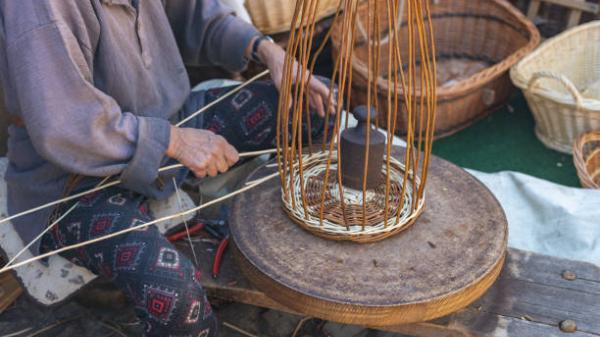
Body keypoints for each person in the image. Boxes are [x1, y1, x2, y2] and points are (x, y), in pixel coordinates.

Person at [0, 1, 332, 336]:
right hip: (75, 182)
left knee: (316, 107)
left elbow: (194, 14)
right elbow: (66, 126)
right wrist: (174, 143)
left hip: (173, 122)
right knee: (179, 302)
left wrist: (265, 49)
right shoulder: (35, 8)